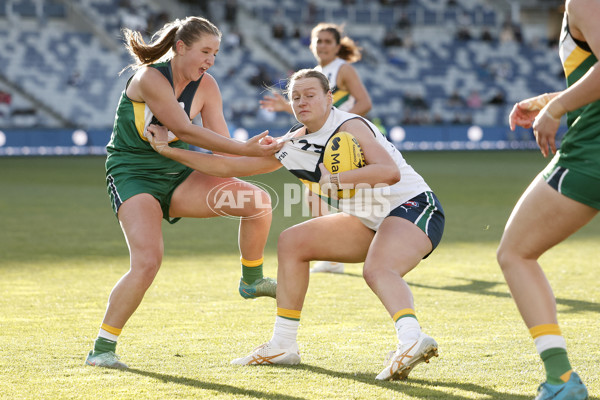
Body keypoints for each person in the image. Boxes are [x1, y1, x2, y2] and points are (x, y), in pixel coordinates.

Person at [146, 69, 445, 381]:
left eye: (311, 95)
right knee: (292, 242)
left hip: (415, 207)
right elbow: (228, 166)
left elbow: (388, 172)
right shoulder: (291, 144)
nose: (302, 101)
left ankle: (411, 340)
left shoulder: (349, 124)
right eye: (296, 96)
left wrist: (340, 179)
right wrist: (170, 150)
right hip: (370, 221)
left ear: (329, 98)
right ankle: (283, 345)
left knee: (378, 269)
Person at [85, 16, 282, 370]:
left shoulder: (207, 86)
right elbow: (184, 130)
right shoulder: (149, 77)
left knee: (257, 201)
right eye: (205, 51)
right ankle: (102, 348)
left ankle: (251, 280)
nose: (210, 60)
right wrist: (247, 149)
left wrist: (275, 156)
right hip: (133, 176)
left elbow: (220, 154)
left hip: (180, 175)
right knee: (147, 262)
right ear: (180, 48)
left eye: (215, 54)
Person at [497, 1, 599, 398]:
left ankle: (560, 379)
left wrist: (557, 107)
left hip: (591, 154)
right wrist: (550, 99)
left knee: (515, 253)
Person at [260, 22, 373, 274]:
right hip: (329, 141)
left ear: (337, 46)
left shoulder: (342, 69)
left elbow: (364, 102)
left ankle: (351, 251)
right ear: (311, 45)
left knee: (353, 195)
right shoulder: (315, 72)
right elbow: (318, 111)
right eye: (318, 41)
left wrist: (339, 128)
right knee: (314, 189)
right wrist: (285, 107)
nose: (322, 45)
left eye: (327, 41)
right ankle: (333, 256)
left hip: (350, 141)